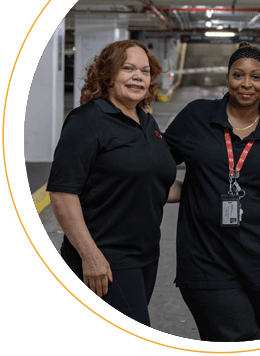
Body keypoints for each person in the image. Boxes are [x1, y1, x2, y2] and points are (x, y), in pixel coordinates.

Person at [164, 42, 260, 342]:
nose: (246, 84)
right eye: (238, 75)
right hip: (207, 258)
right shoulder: (197, 117)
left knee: (256, 339)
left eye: (256, 77)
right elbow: (156, 163)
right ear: (227, 78)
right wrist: (180, 191)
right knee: (238, 338)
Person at [47, 39, 179, 326]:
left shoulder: (146, 122)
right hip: (106, 258)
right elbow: (61, 193)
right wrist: (90, 256)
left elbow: (157, 185)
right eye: (128, 68)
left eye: (144, 71)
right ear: (107, 75)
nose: (138, 77)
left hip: (145, 255)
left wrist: (210, 186)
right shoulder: (87, 121)